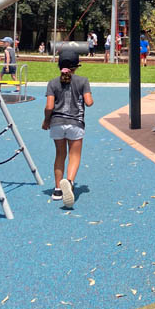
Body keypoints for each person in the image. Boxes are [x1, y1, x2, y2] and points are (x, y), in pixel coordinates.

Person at [42, 50, 94, 207]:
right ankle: (69, 182)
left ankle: (57, 189)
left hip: (57, 123)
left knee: (60, 155)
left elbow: (49, 106)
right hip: (76, 123)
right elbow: (89, 102)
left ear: (59, 65)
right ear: (76, 67)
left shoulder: (52, 83)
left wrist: (46, 121)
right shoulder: (83, 81)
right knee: (74, 155)